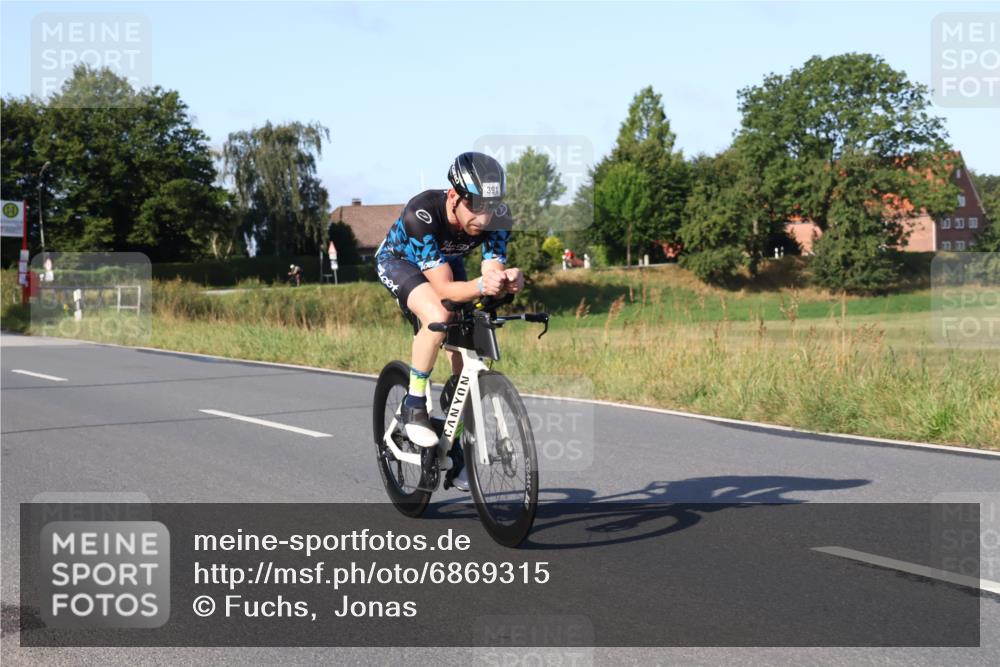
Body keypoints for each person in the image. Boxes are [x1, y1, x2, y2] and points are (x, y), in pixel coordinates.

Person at [375, 152, 525, 483]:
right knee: (439, 313)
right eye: (476, 206)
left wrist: (506, 281)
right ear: (455, 196)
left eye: (492, 206)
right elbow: (443, 288)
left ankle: (455, 443)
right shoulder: (422, 212)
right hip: (401, 261)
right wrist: (480, 285)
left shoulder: (497, 217)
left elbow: (491, 271)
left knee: (467, 334)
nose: (484, 218)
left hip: (444, 260)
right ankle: (414, 402)